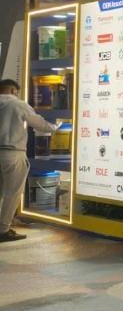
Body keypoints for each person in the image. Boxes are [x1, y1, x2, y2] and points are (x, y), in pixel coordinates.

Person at [0, 79, 59, 243]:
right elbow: (40, 124)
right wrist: (56, 127)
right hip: (12, 153)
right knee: (12, 193)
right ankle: (3, 230)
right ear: (13, 90)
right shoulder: (17, 104)